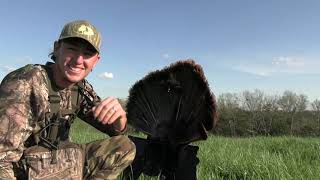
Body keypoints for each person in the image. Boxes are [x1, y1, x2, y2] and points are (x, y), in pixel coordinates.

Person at [0, 20, 136, 179]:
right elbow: (2, 159)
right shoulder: (24, 84)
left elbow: (114, 130)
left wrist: (119, 118)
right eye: (72, 49)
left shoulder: (81, 88)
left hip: (59, 164)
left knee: (124, 146)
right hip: (25, 172)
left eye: (87, 54)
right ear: (57, 48)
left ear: (96, 61)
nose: (79, 60)